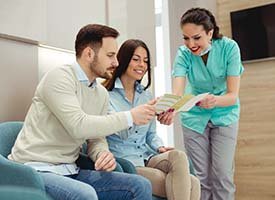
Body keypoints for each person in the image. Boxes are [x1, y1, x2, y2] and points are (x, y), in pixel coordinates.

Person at [8, 24, 155, 200]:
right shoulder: (59, 78)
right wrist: (130, 117)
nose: (116, 62)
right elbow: (79, 126)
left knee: (140, 185)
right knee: (85, 194)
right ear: (89, 54)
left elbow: (96, 138)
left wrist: (101, 154)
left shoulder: (100, 93)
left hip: (70, 169)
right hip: (36, 169)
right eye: (110, 56)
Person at [103, 39, 201, 200]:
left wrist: (159, 147)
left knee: (179, 157)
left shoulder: (146, 95)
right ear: (123, 59)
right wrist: (137, 116)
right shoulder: (106, 95)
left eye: (146, 61)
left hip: (146, 156)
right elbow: (120, 132)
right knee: (191, 183)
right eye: (136, 59)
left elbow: (151, 135)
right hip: (125, 161)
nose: (142, 64)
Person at [168, 8, 244, 200]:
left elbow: (232, 95)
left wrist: (215, 101)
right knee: (200, 178)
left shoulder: (229, 48)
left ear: (210, 32)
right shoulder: (183, 54)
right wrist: (171, 108)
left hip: (225, 114)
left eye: (196, 38)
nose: (191, 44)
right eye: (186, 38)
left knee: (222, 175)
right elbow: (177, 91)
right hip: (193, 117)